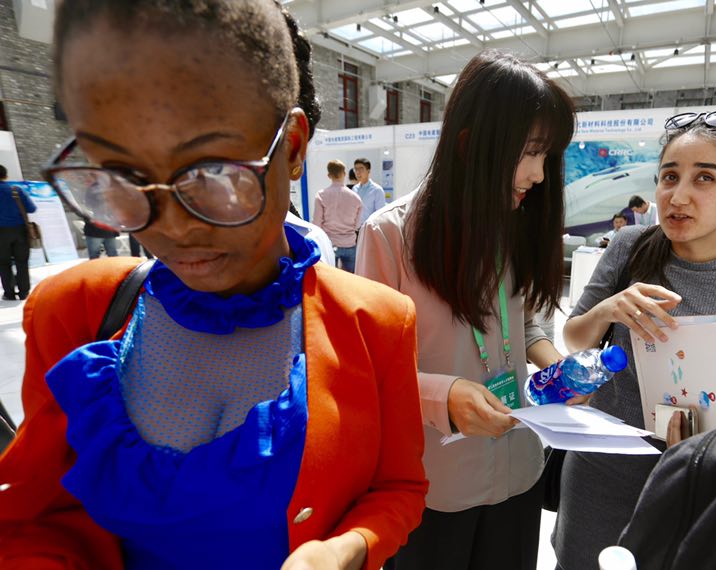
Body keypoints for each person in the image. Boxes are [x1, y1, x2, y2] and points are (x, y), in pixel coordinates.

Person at [0, 2, 427, 569]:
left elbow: (398, 486)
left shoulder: (375, 322)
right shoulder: (72, 315)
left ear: (293, 148)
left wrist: (350, 547)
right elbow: (43, 513)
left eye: (213, 173)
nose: (170, 228)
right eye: (120, 179)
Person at [356, 50, 575, 570]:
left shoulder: (516, 224)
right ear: (470, 144)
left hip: (519, 469)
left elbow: (528, 318)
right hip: (434, 485)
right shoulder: (389, 235)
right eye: (531, 153)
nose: (540, 175)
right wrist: (444, 396)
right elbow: (367, 371)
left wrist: (551, 361)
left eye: (549, 157)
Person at [553, 109, 716, 569]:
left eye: (705, 178)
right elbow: (572, 339)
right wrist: (609, 309)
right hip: (602, 478)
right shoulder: (629, 246)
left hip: (710, 491)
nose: (678, 196)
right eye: (670, 176)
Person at [313, 159, 362, 272]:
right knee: (352, 279)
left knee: (331, 279)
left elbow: (316, 223)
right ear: (344, 173)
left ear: (329, 175)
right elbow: (357, 225)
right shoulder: (356, 198)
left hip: (329, 244)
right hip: (349, 243)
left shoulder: (321, 195)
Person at [0, 165, 36, 301]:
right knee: (22, 262)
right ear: (5, 175)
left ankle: (9, 293)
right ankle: (24, 292)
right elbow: (32, 209)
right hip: (20, 231)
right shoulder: (16, 190)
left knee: (3, 263)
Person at [352, 158, 385, 226]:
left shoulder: (377, 190)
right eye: (356, 169)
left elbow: (380, 215)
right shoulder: (354, 189)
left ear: (368, 171)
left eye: (361, 169)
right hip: (355, 230)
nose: (358, 172)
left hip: (369, 229)